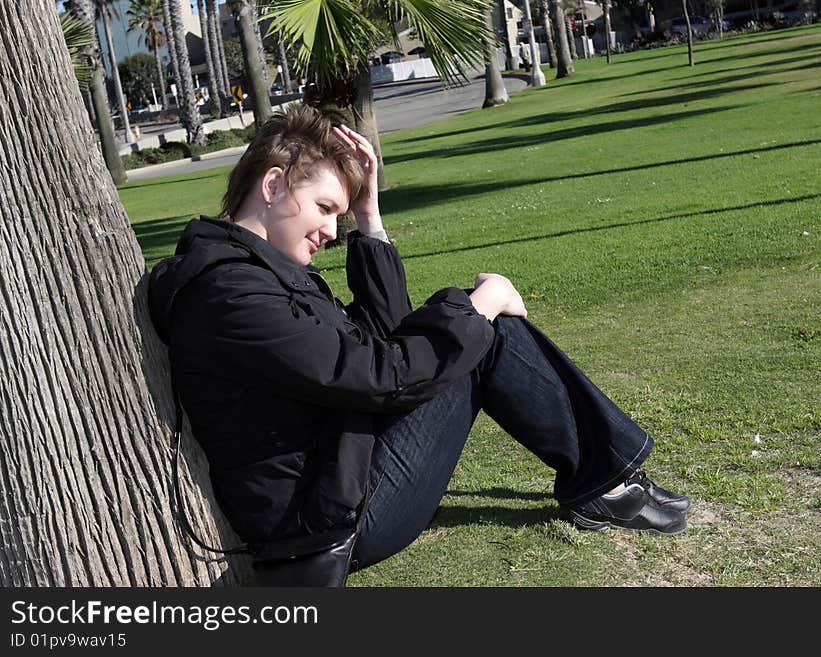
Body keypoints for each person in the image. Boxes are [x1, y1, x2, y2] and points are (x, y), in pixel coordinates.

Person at [148, 105, 690, 580]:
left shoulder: (254, 273)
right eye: (324, 208)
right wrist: (481, 305)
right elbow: (377, 375)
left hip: (343, 470)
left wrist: (370, 219)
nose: (332, 232)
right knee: (484, 327)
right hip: (332, 521)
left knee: (477, 324)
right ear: (271, 187)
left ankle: (608, 481)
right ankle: (609, 485)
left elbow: (381, 336)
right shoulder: (231, 293)